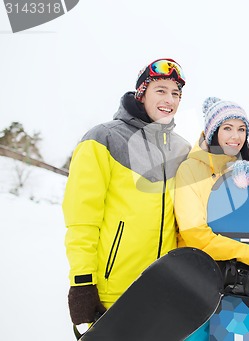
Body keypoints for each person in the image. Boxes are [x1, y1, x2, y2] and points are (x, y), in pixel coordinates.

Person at [63, 58, 191, 325]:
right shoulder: (102, 139)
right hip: (115, 291)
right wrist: (82, 283)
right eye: (161, 90)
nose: (170, 99)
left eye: (176, 93)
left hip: (164, 289)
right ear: (141, 93)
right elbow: (82, 218)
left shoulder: (182, 149)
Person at [174, 96, 249, 290]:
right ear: (213, 132)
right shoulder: (190, 169)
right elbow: (195, 234)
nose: (236, 137)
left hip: (235, 279)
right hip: (196, 276)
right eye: (227, 128)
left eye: (241, 129)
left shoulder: (240, 169)